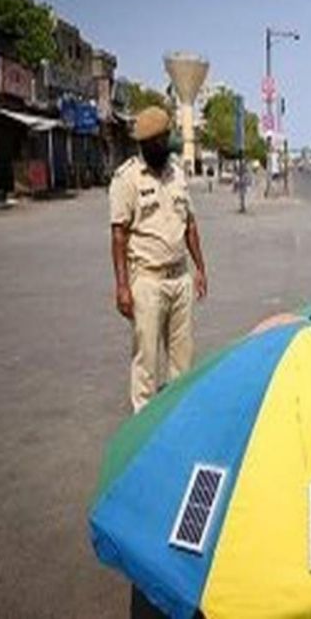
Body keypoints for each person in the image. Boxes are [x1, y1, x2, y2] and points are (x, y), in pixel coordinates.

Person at [109, 106, 208, 413]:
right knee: (147, 359)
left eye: (165, 140)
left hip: (180, 278)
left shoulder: (176, 173)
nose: (162, 147)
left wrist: (200, 268)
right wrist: (123, 287)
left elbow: (189, 223)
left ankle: (179, 415)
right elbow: (118, 235)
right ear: (145, 144)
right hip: (147, 280)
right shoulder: (127, 179)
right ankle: (144, 421)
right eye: (157, 142)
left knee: (183, 357)